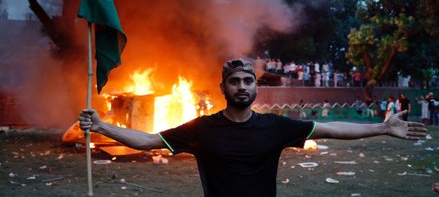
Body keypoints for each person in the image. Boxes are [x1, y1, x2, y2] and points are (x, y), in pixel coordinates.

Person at [79, 58, 427, 197]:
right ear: (223, 88)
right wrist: (102, 126)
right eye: (235, 81)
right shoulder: (202, 128)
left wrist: (382, 128)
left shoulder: (275, 127)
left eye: (248, 80)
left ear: (256, 88)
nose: (242, 86)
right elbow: (148, 141)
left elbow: (332, 129)